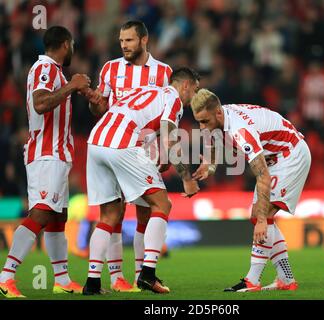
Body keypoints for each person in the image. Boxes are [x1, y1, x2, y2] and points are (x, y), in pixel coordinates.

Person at [82, 67, 200, 295]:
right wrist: (186, 177)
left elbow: (138, 121)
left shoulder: (146, 90)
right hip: (122, 144)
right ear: (185, 85)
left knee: (109, 216)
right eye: (194, 90)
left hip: (96, 142)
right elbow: (168, 134)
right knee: (162, 204)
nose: (193, 98)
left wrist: (161, 156)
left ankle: (93, 283)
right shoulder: (173, 99)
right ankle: (147, 275)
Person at [82, 20, 172, 293]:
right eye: (121, 41)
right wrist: (94, 104)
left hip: (142, 149)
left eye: (130, 40)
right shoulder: (110, 68)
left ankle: (137, 276)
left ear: (144, 40)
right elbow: (101, 110)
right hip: (117, 144)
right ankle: (118, 276)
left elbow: (162, 113)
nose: (124, 45)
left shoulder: (163, 72)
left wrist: (159, 150)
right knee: (115, 212)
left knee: (144, 211)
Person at [0, 26, 90, 298]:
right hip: (45, 154)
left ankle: (62, 279)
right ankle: (6, 276)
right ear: (65, 44)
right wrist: (72, 86)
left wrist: (73, 87)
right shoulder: (45, 69)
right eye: (72, 44)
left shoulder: (56, 73)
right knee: (40, 212)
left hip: (58, 155)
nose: (73, 49)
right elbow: (40, 104)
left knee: (57, 217)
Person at [190, 89, 311, 292]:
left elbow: (262, 174)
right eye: (198, 121)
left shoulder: (240, 131)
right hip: (274, 158)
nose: (201, 127)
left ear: (218, 113)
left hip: (289, 155)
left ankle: (252, 280)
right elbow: (213, 143)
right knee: (259, 216)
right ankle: (286, 279)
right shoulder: (218, 120)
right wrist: (209, 166)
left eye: (204, 121)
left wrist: (262, 220)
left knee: (262, 216)